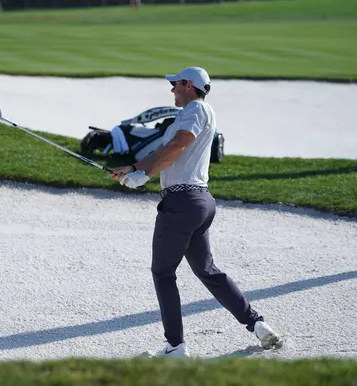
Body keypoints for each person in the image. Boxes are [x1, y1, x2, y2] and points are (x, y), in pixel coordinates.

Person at [109, 67, 282, 358]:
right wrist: (134, 169)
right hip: (199, 202)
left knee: (163, 272)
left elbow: (178, 146)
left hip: (181, 203)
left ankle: (175, 347)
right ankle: (258, 325)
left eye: (175, 84)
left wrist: (148, 175)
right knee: (208, 270)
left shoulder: (196, 110)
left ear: (189, 85)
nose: (172, 89)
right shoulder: (186, 115)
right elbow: (164, 149)